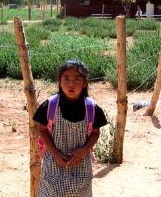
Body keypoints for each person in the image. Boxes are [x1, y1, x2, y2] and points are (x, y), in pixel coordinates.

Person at [33, 59, 108, 197]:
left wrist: (83, 150)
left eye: (77, 79)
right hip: (54, 166)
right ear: (59, 82)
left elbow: (96, 132)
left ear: (85, 83)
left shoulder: (92, 108)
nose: (71, 84)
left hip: (81, 166)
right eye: (66, 79)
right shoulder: (49, 106)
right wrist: (55, 153)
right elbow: (42, 130)